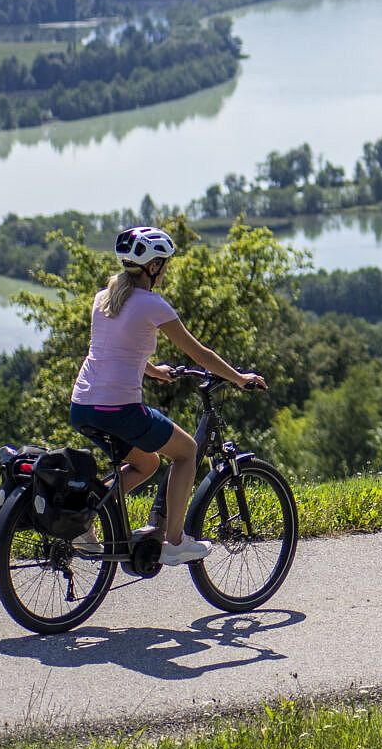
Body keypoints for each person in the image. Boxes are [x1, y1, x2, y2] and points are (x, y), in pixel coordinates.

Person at [69, 225, 263, 566]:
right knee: (187, 452)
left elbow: (115, 350)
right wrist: (238, 378)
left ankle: (85, 518)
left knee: (147, 463)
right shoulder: (152, 304)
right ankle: (174, 542)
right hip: (119, 409)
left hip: (82, 406)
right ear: (154, 266)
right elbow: (199, 353)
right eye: (165, 264)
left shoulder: (103, 298)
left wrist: (155, 371)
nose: (166, 270)